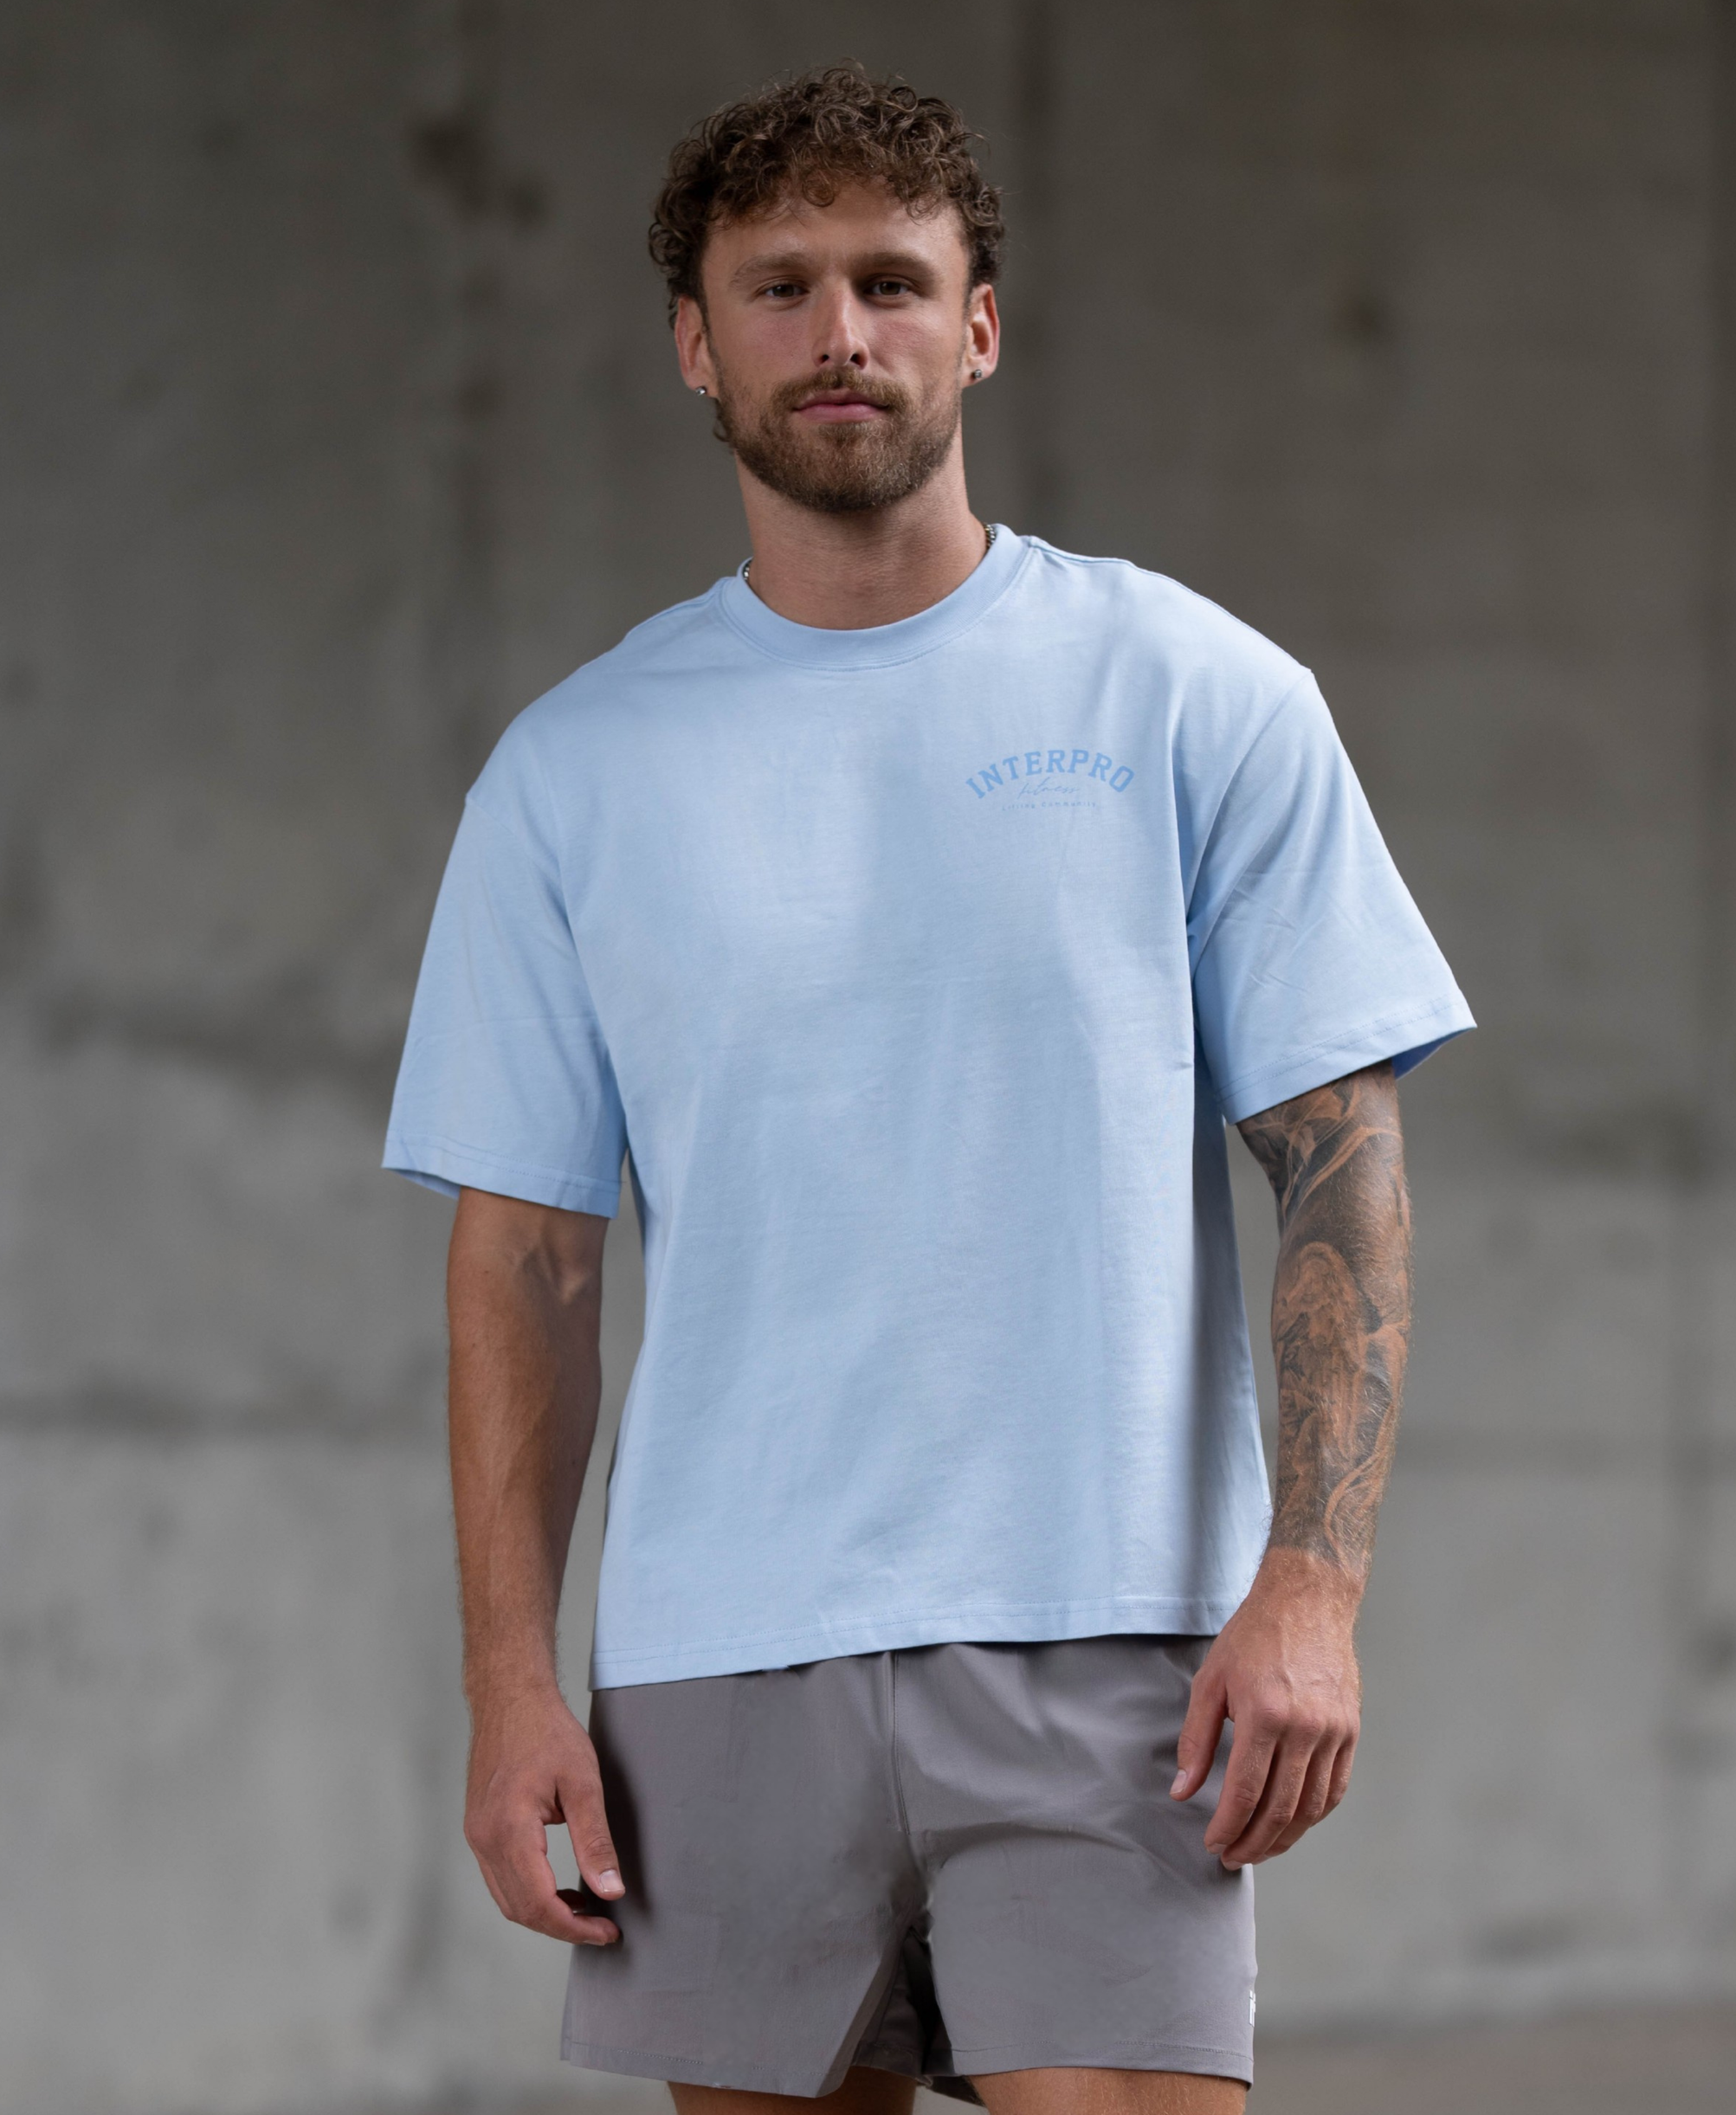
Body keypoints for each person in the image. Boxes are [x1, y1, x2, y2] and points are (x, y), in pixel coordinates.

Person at [383, 62, 1474, 2115]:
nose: (840, 334)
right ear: (696, 344)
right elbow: (522, 1259)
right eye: (779, 288)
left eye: (892, 280)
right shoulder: (570, 772)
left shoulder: (1191, 696)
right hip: (714, 1661)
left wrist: (1309, 1589)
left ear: (976, 324)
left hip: (1108, 1635)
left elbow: (1341, 1167)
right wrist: (514, 1686)